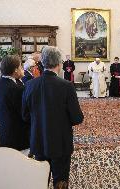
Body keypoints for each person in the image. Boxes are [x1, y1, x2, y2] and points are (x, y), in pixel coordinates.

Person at [22, 46, 84, 188]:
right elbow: (77, 118)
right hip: (60, 143)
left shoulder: (30, 85)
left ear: (42, 63)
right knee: (60, 181)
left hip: (38, 141)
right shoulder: (66, 86)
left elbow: (25, 116)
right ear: (59, 64)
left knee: (40, 179)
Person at [0, 55, 29, 151]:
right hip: (18, 136)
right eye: (21, 66)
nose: (22, 69)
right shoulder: (17, 88)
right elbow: (24, 113)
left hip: (4, 132)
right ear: (15, 70)